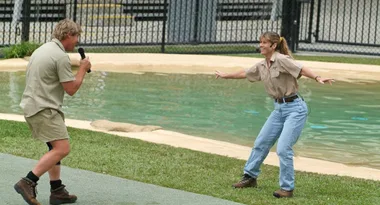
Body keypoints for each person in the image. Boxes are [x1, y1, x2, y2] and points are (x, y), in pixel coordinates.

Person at [215, 31, 334, 198]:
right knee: (261, 142)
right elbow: (246, 73)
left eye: (265, 43)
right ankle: (250, 177)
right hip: (278, 109)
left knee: (283, 148)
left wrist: (317, 77)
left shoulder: (282, 60)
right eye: (260, 42)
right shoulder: (262, 65)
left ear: (273, 45)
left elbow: (301, 68)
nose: (261, 45)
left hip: (295, 109)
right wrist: (225, 75)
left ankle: (287, 188)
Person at [14, 19, 91, 205]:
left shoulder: (43, 49)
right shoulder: (60, 56)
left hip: (33, 106)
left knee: (53, 147)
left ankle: (57, 190)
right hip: (44, 109)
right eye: (76, 36)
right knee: (62, 148)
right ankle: (28, 181)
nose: (77, 41)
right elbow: (71, 89)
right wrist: (82, 69)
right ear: (68, 35)